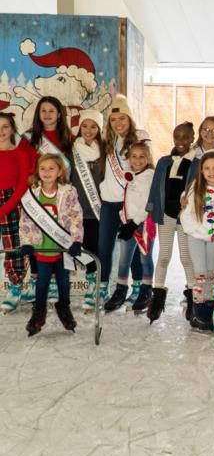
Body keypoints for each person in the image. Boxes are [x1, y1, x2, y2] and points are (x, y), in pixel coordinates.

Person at [19, 154, 83, 336]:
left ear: (60, 171)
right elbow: (25, 221)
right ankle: (39, 311)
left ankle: (64, 307)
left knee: (63, 279)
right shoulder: (32, 193)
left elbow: (76, 217)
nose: (47, 172)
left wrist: (76, 240)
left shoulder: (69, 191)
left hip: (63, 246)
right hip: (42, 247)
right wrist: (26, 242)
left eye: (51, 168)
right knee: (42, 281)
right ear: (38, 172)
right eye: (43, 169)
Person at [97, 95, 151, 307]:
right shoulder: (108, 142)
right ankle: (102, 289)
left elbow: (146, 166)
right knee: (104, 247)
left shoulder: (140, 136)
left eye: (122, 118)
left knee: (134, 248)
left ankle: (137, 287)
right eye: (113, 120)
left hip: (131, 204)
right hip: (110, 202)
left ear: (129, 118)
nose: (118, 123)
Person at [147, 122, 197, 321]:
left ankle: (194, 298)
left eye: (185, 137)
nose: (181, 141)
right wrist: (152, 211)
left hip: (185, 218)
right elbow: (154, 188)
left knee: (187, 257)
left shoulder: (197, 163)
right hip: (166, 215)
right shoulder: (164, 162)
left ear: (192, 139)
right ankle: (157, 297)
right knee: (164, 256)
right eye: (177, 137)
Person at [104, 143, 156, 314]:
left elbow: (148, 204)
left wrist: (135, 222)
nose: (138, 160)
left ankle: (146, 290)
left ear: (148, 158)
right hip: (128, 224)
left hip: (143, 225)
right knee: (123, 259)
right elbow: (127, 200)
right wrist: (124, 218)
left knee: (144, 259)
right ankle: (120, 289)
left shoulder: (149, 176)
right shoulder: (131, 175)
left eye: (142, 156)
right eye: (134, 156)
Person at [180, 151, 214, 334]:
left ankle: (207, 309)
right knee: (199, 274)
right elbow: (186, 214)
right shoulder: (195, 188)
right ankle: (198, 312)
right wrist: (196, 231)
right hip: (196, 237)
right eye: (207, 168)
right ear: (201, 171)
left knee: (210, 274)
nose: (211, 172)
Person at [70, 110, 105, 311]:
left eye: (93, 126)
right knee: (81, 249)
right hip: (77, 211)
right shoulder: (72, 151)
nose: (89, 130)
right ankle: (91, 279)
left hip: (99, 211)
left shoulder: (105, 152)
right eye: (85, 126)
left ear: (99, 129)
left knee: (95, 249)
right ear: (79, 128)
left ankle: (95, 285)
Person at [0, 112, 32, 313]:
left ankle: (15, 286)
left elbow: (23, 184)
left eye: (5, 126)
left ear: (12, 128)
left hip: (11, 202)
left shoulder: (20, 153)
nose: (1, 131)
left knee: (13, 245)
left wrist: (5, 207)